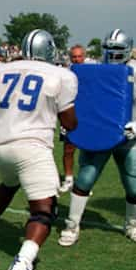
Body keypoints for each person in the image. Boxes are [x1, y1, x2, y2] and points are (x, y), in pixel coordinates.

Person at [0, 29, 77, 270]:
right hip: (32, 147)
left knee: (9, 184)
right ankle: (24, 262)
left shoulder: (0, 70)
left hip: (1, 144)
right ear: (49, 50)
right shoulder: (62, 75)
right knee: (44, 210)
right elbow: (69, 122)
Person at [59, 28, 136, 247]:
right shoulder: (93, 69)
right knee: (84, 180)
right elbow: (81, 103)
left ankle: (132, 224)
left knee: (135, 188)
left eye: (117, 50)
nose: (112, 54)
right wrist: (70, 126)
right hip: (99, 133)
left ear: (128, 50)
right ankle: (72, 225)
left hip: (130, 137)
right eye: (109, 49)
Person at [58, 44, 86, 193]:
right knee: (68, 148)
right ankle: (68, 179)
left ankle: (83, 182)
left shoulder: (91, 73)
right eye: (74, 56)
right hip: (69, 114)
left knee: (88, 149)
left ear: (84, 57)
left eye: (79, 56)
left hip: (87, 115)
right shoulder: (65, 74)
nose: (77, 59)